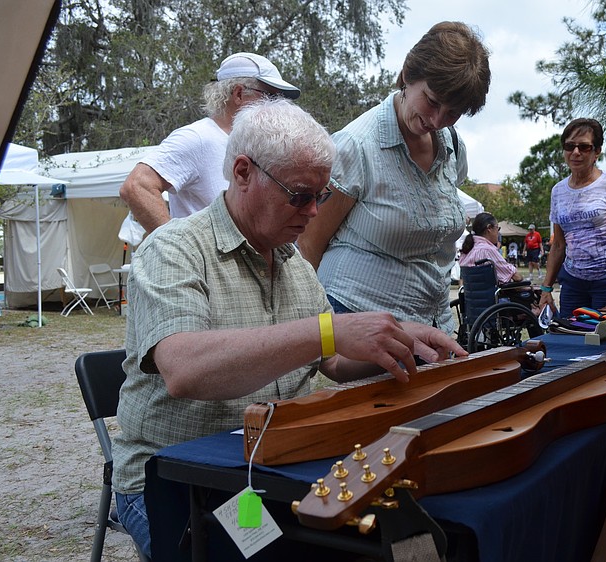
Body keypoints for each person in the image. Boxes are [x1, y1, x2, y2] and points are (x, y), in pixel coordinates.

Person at [110, 99, 466, 558]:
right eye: (300, 195)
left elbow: (332, 362)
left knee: (399, 537)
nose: (315, 212)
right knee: (270, 554)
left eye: (322, 195)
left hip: (269, 472)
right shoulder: (173, 249)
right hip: (180, 479)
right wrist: (328, 331)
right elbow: (183, 368)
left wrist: (395, 339)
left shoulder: (292, 260)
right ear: (242, 173)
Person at [297, 21, 491, 337]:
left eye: (452, 112)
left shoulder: (452, 146)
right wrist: (320, 336)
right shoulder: (356, 146)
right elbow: (308, 244)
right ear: (406, 75)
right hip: (359, 320)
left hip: (433, 324)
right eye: (432, 100)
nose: (437, 120)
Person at [119, 52, 300, 233]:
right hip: (202, 261)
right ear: (239, 94)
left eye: (280, 99)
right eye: (271, 97)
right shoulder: (198, 136)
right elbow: (137, 186)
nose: (277, 106)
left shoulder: (253, 145)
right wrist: (174, 248)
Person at [539, 118, 606, 318]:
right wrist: (546, 288)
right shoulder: (558, 191)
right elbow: (559, 245)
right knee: (572, 339)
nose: (576, 152)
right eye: (570, 146)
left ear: (597, 151)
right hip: (573, 282)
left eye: (584, 147)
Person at [459, 212, 523, 284]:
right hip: (491, 294)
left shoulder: (467, 249)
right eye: (497, 228)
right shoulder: (487, 250)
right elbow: (515, 276)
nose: (498, 232)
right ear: (489, 228)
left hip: (471, 294)